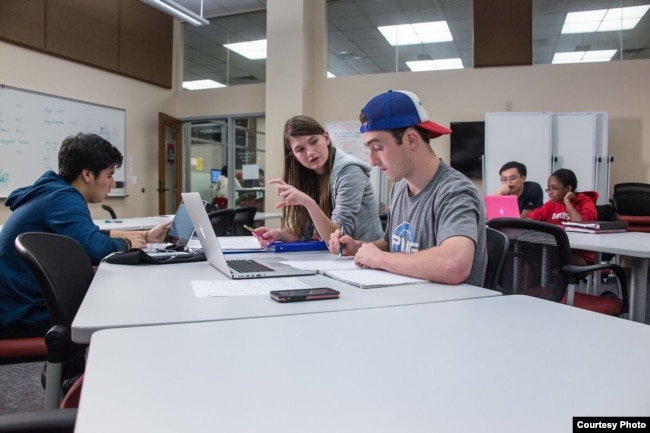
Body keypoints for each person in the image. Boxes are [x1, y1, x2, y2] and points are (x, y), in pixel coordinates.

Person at [0, 132, 171, 339]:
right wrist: (126, 243)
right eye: (109, 175)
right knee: (126, 306)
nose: (113, 183)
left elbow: (86, 235)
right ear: (88, 174)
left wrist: (145, 235)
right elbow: (94, 248)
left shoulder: (52, 191)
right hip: (24, 313)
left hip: (17, 304)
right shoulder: (63, 198)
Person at [329, 90, 487, 286]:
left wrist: (378, 259)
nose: (371, 161)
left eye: (378, 148)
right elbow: (391, 246)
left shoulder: (454, 190)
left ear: (411, 139)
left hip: (449, 311)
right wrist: (358, 248)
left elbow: (454, 265)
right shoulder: (400, 187)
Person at [252, 115, 383, 246]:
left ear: (326, 138)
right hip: (336, 258)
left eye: (314, 142)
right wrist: (279, 234)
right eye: (300, 149)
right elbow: (305, 233)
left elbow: (338, 238)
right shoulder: (309, 175)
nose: (310, 153)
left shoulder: (349, 171)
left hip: (367, 256)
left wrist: (308, 203)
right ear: (294, 156)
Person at [527, 168, 598, 264]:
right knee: (529, 255)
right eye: (548, 188)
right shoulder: (551, 204)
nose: (550, 192)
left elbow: (580, 224)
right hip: (556, 248)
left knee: (546, 259)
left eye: (554, 188)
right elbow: (530, 218)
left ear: (568, 188)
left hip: (580, 253)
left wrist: (567, 201)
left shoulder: (585, 202)